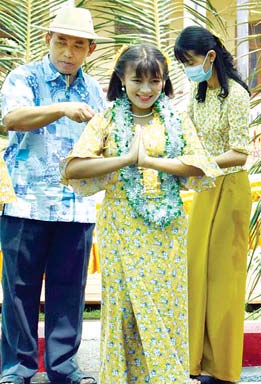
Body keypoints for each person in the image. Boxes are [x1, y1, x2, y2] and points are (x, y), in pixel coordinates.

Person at [61, 44, 221, 383]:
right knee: (124, 308)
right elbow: (73, 168)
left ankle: (166, 377)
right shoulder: (106, 119)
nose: (146, 89)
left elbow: (200, 165)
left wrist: (150, 162)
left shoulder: (176, 119)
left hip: (167, 229)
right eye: (138, 80)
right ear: (121, 78)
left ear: (164, 81)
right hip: (121, 226)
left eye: (155, 81)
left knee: (165, 306)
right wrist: (124, 160)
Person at [0, 6, 110, 384]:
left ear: (90, 50)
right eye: (61, 41)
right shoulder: (24, 77)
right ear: (47, 39)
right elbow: (12, 118)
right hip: (24, 203)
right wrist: (61, 108)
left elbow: (106, 141)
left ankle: (64, 367)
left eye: (78, 45)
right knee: (19, 291)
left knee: (68, 290)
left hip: (76, 208)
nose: (68, 52)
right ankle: (17, 368)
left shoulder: (94, 91)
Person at [174, 26, 251, 384]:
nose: (187, 69)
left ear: (210, 57)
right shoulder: (198, 93)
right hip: (204, 188)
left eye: (189, 61)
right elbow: (186, 137)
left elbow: (240, 153)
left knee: (223, 280)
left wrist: (202, 163)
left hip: (231, 189)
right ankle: (194, 362)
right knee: (195, 274)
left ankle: (222, 368)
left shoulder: (236, 94)